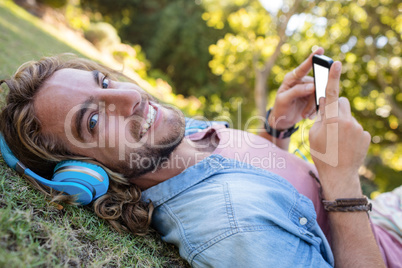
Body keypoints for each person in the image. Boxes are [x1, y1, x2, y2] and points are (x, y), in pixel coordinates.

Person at [0, 48, 400, 267]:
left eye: (105, 82)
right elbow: (247, 202)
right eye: (92, 119)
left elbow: (255, 176)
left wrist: (277, 128)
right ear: (86, 173)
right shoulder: (234, 228)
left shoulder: (172, 138)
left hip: (383, 218)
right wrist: (344, 181)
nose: (131, 97)